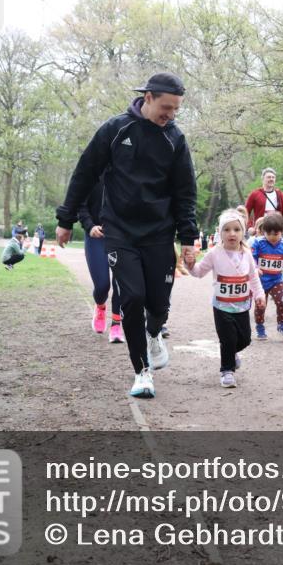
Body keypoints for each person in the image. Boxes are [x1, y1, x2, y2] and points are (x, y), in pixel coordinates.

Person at [55, 72, 199, 400]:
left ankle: (153, 333)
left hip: (160, 232)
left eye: (176, 109)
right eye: (166, 107)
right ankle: (142, 371)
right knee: (132, 298)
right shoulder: (115, 130)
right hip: (120, 231)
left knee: (159, 306)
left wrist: (188, 237)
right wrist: (66, 219)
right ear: (147, 98)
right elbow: (85, 172)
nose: (171, 115)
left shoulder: (175, 139)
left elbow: (185, 191)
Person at [184, 210, 265, 388]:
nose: (232, 233)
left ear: (243, 232)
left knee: (245, 339)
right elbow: (198, 272)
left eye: (236, 229)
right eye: (227, 230)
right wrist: (189, 264)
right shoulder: (215, 253)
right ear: (220, 233)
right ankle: (227, 371)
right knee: (227, 339)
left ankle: (231, 353)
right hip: (221, 306)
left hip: (242, 306)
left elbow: (253, 277)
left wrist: (259, 294)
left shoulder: (247, 253)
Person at [78, 181, 124, 343]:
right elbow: (80, 205)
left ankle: (116, 325)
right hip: (95, 235)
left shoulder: (124, 171)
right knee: (102, 285)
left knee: (120, 282)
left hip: (120, 236)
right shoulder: (92, 172)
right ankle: (100, 306)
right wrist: (89, 226)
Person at [250, 212, 283, 340]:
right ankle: (260, 326)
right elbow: (251, 257)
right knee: (260, 305)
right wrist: (255, 267)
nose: (272, 237)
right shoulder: (258, 243)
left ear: (281, 231)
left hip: (276, 280)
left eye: (275, 234)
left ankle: (282, 324)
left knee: (282, 300)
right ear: (263, 231)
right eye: (268, 233)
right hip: (260, 282)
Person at [245, 167, 283, 235]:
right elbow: (245, 213)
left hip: (276, 229)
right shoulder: (255, 194)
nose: (271, 179)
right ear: (263, 179)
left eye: (273, 177)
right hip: (260, 230)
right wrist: (249, 227)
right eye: (269, 177)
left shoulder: (279, 194)